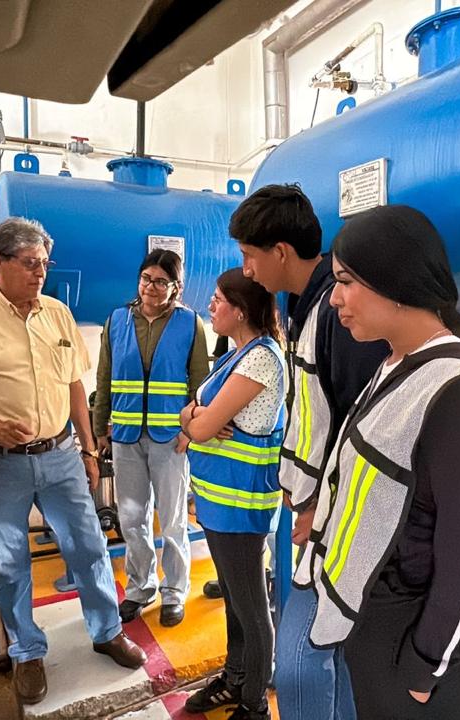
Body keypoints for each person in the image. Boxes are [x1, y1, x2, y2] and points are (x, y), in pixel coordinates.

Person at [283, 204, 460, 719]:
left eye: (346, 282)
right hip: (373, 626)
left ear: (394, 282)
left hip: (412, 647)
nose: (335, 299)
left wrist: (427, 666)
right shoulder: (395, 361)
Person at [0, 217, 147, 705]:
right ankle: (26, 650)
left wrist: (88, 449)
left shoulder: (58, 313)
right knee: (9, 564)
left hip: (61, 457)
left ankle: (107, 630)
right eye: (29, 264)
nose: (40, 273)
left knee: (89, 546)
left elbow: (74, 386)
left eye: (45, 263)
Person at [233, 183, 389, 719]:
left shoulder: (338, 315)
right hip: (317, 509)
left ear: (280, 252)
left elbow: (360, 424)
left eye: (250, 256)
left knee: (306, 658)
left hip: (336, 515)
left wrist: (323, 502)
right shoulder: (307, 306)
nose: (247, 270)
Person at [179, 268, 287, 720]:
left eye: (218, 299)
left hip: (241, 506)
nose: (210, 305)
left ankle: (254, 702)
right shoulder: (235, 354)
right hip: (218, 503)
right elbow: (193, 417)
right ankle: (235, 676)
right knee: (235, 601)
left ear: (241, 311)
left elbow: (201, 427)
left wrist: (196, 420)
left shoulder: (261, 359)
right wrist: (194, 417)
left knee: (252, 609)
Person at [95, 249, 209, 627]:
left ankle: (174, 591)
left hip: (171, 439)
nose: (152, 287)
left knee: (173, 520)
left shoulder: (190, 323)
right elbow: (104, 377)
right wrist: (99, 427)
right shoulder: (117, 321)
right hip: (126, 437)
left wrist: (190, 431)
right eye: (147, 278)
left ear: (176, 287)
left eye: (162, 281)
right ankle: (140, 588)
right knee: (131, 518)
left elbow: (199, 385)